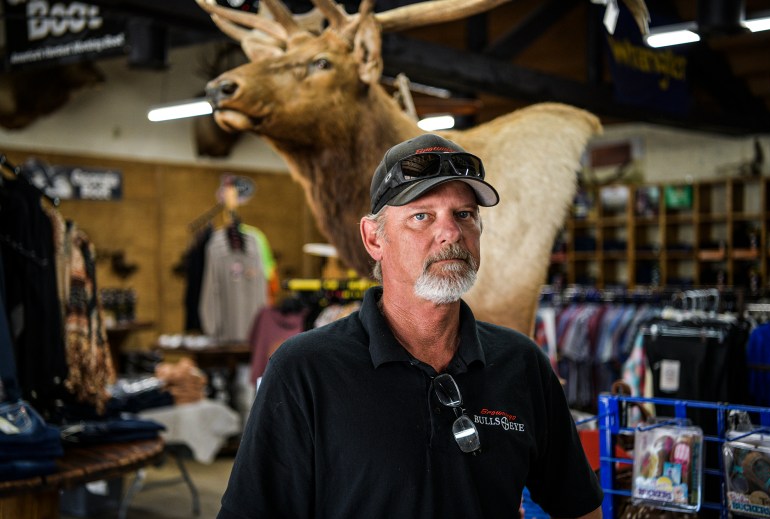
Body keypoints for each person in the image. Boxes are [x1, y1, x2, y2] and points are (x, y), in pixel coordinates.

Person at [217, 134, 603, 519]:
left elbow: (579, 507)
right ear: (373, 238)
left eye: (464, 214)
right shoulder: (306, 369)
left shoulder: (521, 363)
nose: (450, 232)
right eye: (422, 216)